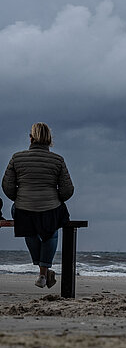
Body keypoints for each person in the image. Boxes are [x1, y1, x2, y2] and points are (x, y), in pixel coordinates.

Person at [2, 122, 74, 289]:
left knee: (29, 229)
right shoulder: (58, 160)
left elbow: (7, 186)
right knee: (51, 233)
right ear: (49, 140)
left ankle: (42, 271)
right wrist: (55, 198)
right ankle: (43, 274)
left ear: (30, 138)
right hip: (50, 209)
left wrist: (19, 198)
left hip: (23, 209)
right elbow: (67, 190)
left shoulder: (16, 158)